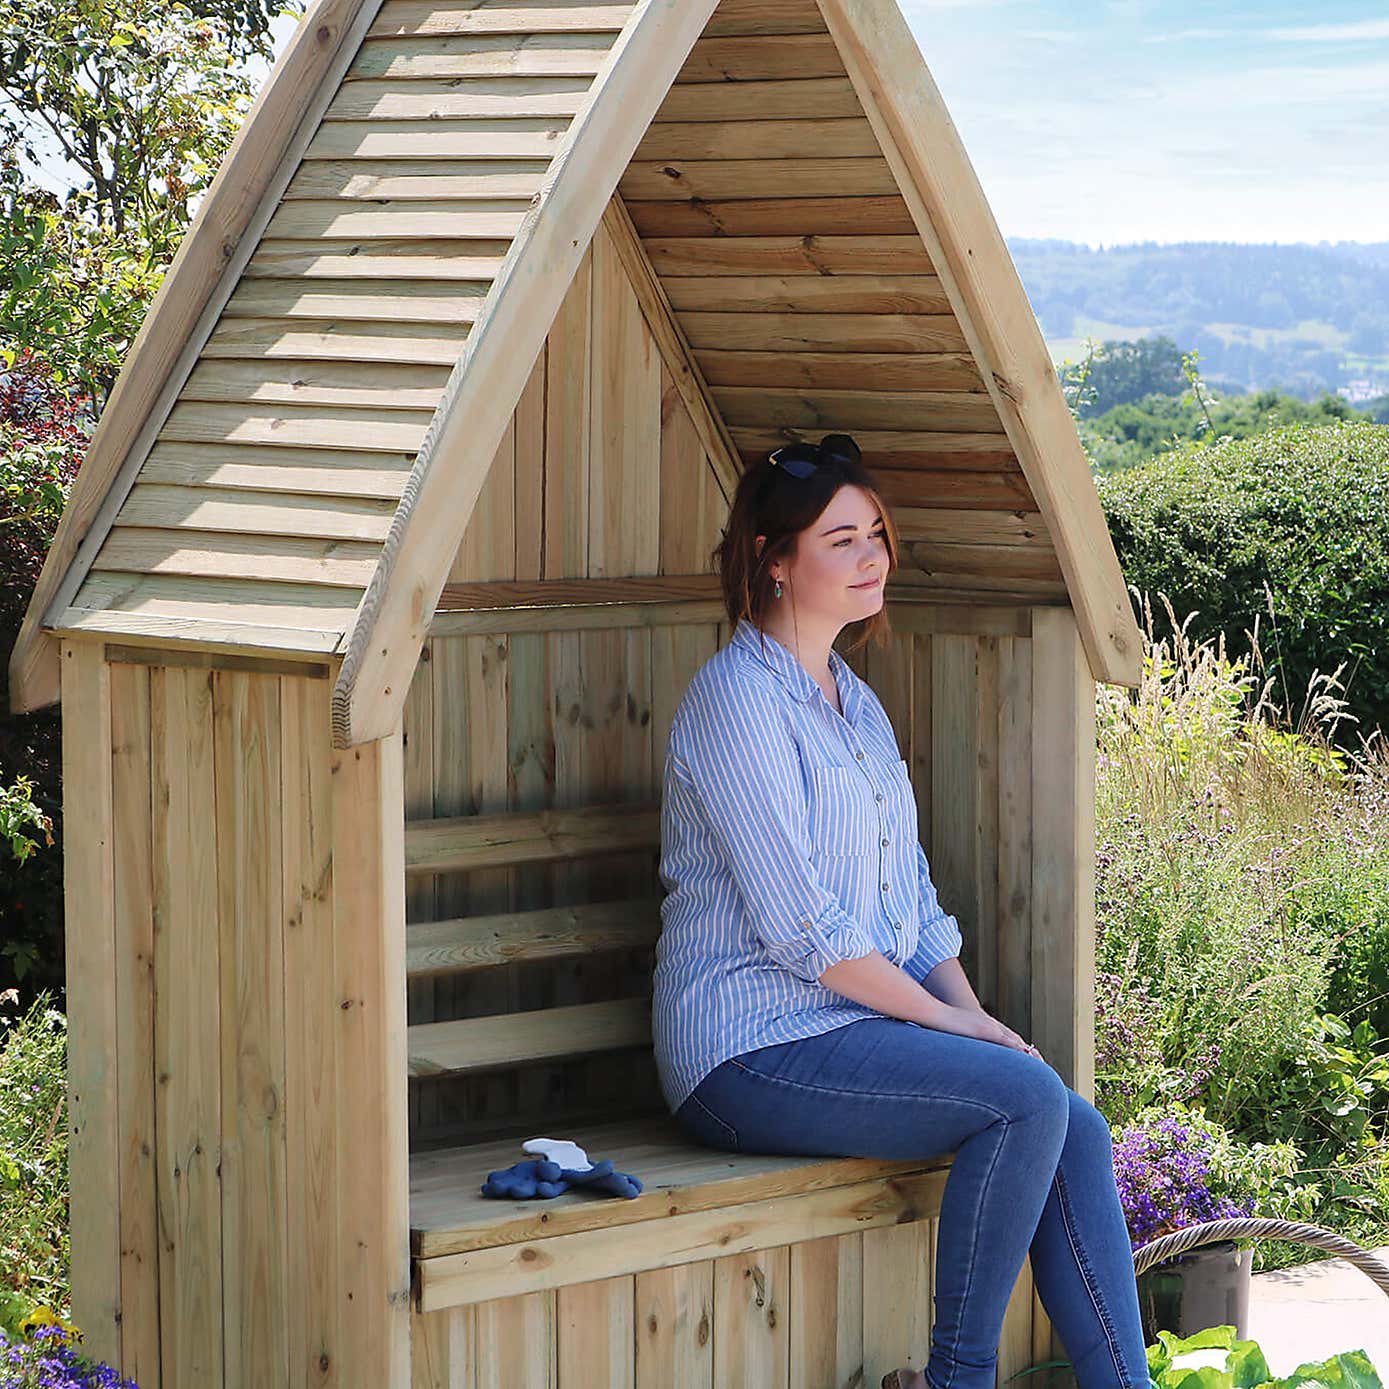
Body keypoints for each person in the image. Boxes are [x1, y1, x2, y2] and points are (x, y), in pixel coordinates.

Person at [651, 435, 1153, 1389]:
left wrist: (978, 1023)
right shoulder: (734, 703)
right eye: (841, 539)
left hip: (848, 1027)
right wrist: (956, 1026)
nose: (872, 555)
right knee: (1023, 1101)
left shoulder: (856, 705)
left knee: (1069, 1120)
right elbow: (804, 930)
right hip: (746, 1048)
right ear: (772, 557)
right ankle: (954, 1381)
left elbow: (909, 905)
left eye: (875, 532)